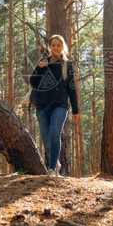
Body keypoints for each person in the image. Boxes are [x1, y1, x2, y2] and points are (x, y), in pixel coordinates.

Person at [30, 34, 80, 176]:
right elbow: (33, 82)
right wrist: (39, 68)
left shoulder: (67, 65)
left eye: (59, 45)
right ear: (49, 47)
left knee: (54, 133)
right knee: (46, 138)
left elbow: (72, 88)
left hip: (60, 105)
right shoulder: (43, 63)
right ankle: (55, 162)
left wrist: (75, 110)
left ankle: (52, 169)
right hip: (42, 105)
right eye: (53, 45)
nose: (56, 47)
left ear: (63, 47)